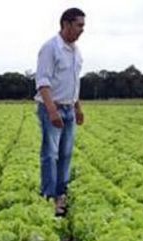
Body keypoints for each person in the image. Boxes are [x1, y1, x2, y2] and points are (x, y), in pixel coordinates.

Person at [35, 8, 85, 216]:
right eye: (79, 25)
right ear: (66, 24)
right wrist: (51, 110)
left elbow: (73, 83)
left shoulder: (76, 52)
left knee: (65, 154)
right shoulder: (50, 48)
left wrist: (77, 107)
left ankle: (61, 194)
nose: (82, 30)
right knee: (50, 154)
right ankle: (50, 197)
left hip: (69, 108)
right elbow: (43, 82)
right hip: (52, 108)